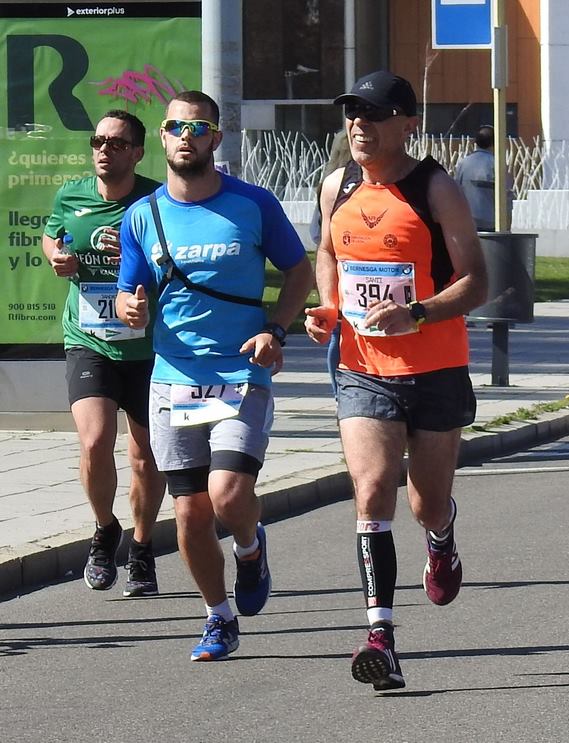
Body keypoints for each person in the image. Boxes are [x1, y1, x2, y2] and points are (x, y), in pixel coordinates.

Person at [303, 71, 488, 691]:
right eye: (352, 114)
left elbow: (477, 281)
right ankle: (380, 637)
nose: (359, 125)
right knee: (374, 488)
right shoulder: (337, 185)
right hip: (363, 368)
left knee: (424, 502)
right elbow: (328, 252)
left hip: (435, 369)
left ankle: (442, 537)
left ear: (408, 124)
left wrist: (418, 313)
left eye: (374, 114)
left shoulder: (437, 189)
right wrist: (328, 307)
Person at [116, 90, 314, 661]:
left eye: (198, 128)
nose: (186, 137)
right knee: (190, 512)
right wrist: (132, 307)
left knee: (228, 495)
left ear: (215, 139)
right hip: (174, 376)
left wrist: (276, 328)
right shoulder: (144, 214)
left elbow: (298, 271)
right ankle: (217, 616)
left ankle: (250, 548)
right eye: (177, 127)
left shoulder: (252, 203)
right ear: (162, 135)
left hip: (242, 371)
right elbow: (134, 290)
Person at [41, 110, 166, 597]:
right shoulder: (71, 194)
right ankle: (103, 529)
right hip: (88, 338)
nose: (105, 150)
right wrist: (56, 256)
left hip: (148, 346)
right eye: (98, 141)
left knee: (145, 454)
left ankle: (141, 546)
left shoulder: (157, 201)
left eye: (117, 143)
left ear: (136, 152)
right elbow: (53, 233)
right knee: (94, 441)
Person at [309, 132, 354, 393]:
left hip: (336, 268)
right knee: (340, 332)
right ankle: (342, 389)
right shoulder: (334, 185)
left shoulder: (326, 183)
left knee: (338, 332)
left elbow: (316, 233)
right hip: (342, 267)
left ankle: (339, 390)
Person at [453, 124, 513, 232]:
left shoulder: (463, 164)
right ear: (495, 143)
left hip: (467, 223)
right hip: (492, 225)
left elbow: (456, 192)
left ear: (475, 142)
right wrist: (507, 228)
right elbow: (507, 196)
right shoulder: (498, 164)